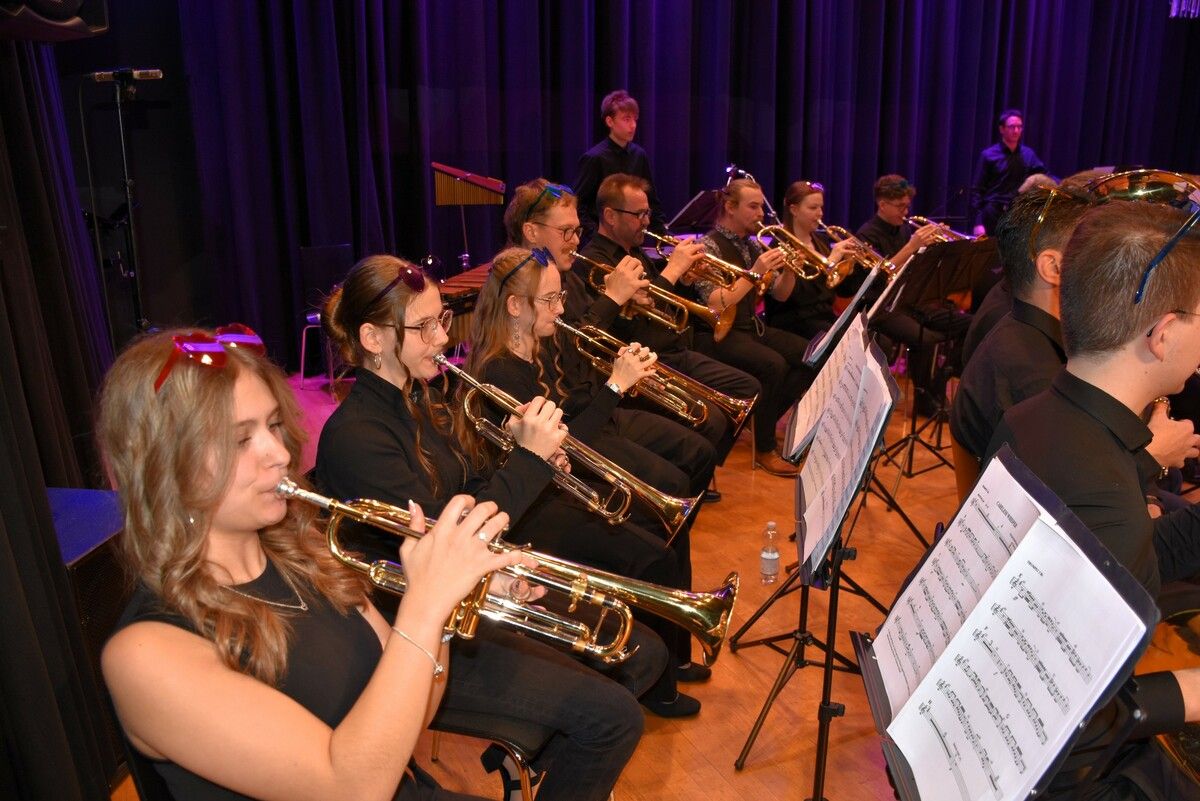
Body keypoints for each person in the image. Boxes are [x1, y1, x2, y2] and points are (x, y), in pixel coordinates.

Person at [98, 323, 517, 800]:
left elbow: (412, 717)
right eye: (240, 441)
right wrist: (423, 606)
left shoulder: (308, 559)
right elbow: (351, 789)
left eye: (273, 425)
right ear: (164, 466)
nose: (279, 453)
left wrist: (444, 607)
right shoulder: (144, 654)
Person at [312, 256, 660, 798]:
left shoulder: (423, 397)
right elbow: (449, 538)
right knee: (613, 717)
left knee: (644, 654)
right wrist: (530, 463)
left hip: (462, 603)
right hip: (408, 641)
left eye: (444, 320)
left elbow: (467, 495)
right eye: (425, 327)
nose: (442, 340)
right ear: (373, 339)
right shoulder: (357, 436)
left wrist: (524, 465)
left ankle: (534, 763)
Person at [984, 200, 1200, 799]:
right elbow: (1075, 737)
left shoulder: (1033, 419)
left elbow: (1130, 560)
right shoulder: (1108, 496)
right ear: (1162, 335)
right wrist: (1190, 688)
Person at [466, 246, 710, 715]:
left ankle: (672, 660)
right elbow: (565, 446)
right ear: (515, 306)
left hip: (548, 488)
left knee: (667, 534)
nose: (561, 309)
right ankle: (658, 686)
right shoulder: (499, 370)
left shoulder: (527, 352)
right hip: (530, 510)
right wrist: (616, 386)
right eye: (551, 300)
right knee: (652, 557)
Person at [503, 177, 721, 500]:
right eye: (566, 232)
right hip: (575, 423)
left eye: (577, 231)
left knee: (700, 451)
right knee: (673, 481)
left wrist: (627, 314)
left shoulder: (569, 278)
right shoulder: (519, 292)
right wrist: (613, 300)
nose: (576, 241)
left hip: (601, 403)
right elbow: (571, 352)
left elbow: (597, 339)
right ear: (531, 232)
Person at [547, 173, 762, 466]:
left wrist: (684, 279)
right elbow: (629, 329)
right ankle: (693, 471)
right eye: (639, 214)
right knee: (711, 420)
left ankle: (700, 468)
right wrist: (670, 272)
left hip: (674, 349)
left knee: (748, 388)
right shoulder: (593, 260)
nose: (647, 221)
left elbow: (661, 309)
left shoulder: (637, 252)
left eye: (647, 213)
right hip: (645, 361)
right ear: (610, 215)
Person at [688, 177, 814, 476]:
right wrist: (755, 272)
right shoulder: (707, 246)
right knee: (772, 365)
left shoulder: (752, 244)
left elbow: (780, 293)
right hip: (718, 333)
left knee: (810, 354)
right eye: (753, 207)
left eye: (761, 206)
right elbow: (718, 303)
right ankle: (765, 449)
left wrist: (790, 269)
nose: (761, 214)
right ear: (730, 207)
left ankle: (760, 423)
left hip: (750, 328)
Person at [856, 175, 968, 417]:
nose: (906, 212)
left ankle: (938, 386)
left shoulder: (904, 229)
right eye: (900, 206)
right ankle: (924, 401)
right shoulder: (867, 234)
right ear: (882, 204)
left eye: (907, 206)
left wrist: (940, 247)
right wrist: (911, 246)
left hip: (909, 301)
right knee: (925, 339)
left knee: (969, 324)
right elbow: (877, 278)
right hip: (880, 307)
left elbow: (919, 268)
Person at [764, 180, 858, 338]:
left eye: (820, 207)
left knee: (871, 336)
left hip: (823, 315)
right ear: (794, 210)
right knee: (846, 341)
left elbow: (841, 291)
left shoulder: (820, 240)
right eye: (813, 208)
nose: (820, 213)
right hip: (794, 321)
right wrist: (832, 260)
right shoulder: (779, 245)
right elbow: (798, 298)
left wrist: (849, 265)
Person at [573, 90, 666, 235]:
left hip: (633, 237)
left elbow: (651, 199)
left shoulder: (639, 155)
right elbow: (578, 205)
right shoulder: (595, 158)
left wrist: (663, 234)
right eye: (626, 119)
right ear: (610, 121)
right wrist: (595, 234)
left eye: (635, 119)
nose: (633, 125)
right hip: (603, 239)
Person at [970, 109, 1046, 237]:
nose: (1016, 131)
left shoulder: (1028, 155)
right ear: (1002, 129)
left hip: (1016, 214)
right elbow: (977, 191)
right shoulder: (989, 155)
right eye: (1012, 127)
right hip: (992, 214)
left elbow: (1044, 175)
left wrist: (1068, 184)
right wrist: (978, 223)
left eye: (1019, 127)